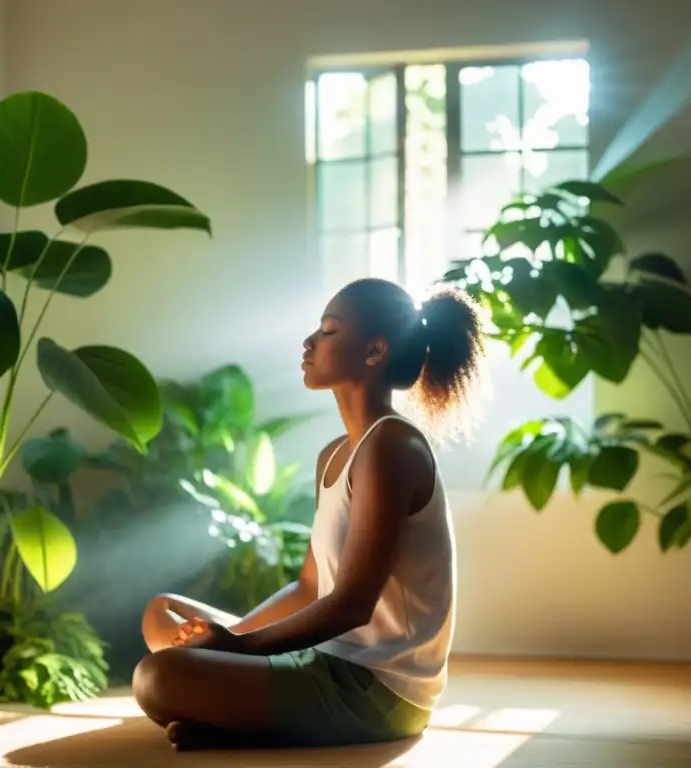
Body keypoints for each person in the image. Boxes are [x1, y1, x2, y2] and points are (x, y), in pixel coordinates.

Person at [133, 277, 485, 751]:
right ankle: (239, 719)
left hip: (376, 688)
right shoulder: (336, 454)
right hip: (321, 662)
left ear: (375, 350)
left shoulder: (392, 446)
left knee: (157, 677)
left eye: (328, 330)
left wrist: (236, 649)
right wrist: (224, 638)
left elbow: (353, 603)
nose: (309, 342)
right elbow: (309, 587)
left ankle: (238, 721)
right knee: (164, 613)